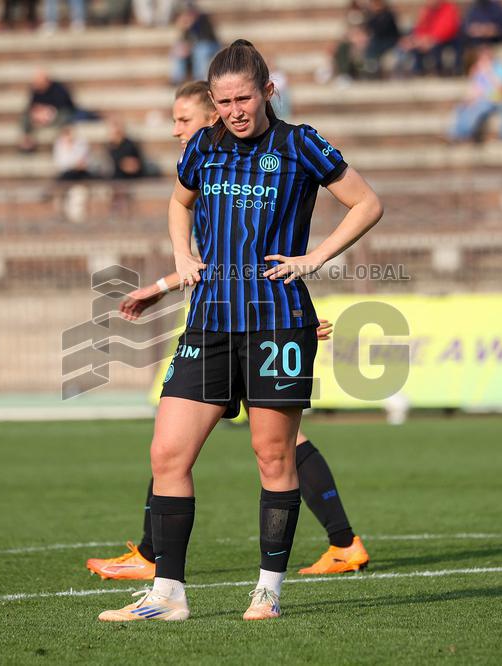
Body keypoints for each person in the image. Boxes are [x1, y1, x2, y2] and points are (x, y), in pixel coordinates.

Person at [97, 40, 383, 623]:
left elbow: (367, 203)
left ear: (268, 91)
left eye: (243, 98)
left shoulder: (300, 143)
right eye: (223, 101)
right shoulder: (203, 145)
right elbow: (179, 205)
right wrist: (182, 257)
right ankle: (168, 595)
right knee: (167, 453)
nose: (233, 110)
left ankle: (268, 590)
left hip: (277, 320)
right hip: (209, 319)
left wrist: (313, 259)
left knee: (272, 455)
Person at [19, 69, 97, 152]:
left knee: (64, 119)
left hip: (60, 114)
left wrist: (48, 112)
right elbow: (31, 106)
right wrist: (39, 112)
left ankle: (60, 142)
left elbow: (64, 106)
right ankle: (27, 140)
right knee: (26, 117)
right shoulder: (35, 90)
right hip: (43, 116)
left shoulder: (58, 88)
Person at [449, 47, 502, 141]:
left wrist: (489, 72)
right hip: (480, 98)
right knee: (461, 107)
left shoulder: (501, 68)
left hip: (495, 99)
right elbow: (475, 88)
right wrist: (470, 98)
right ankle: (456, 134)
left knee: (477, 108)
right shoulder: (478, 69)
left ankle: (467, 135)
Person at [395, 0, 462, 77]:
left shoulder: (448, 8)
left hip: (445, 39)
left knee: (436, 48)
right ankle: (418, 73)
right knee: (414, 48)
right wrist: (418, 40)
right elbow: (421, 27)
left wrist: (430, 39)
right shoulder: (427, 10)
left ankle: (439, 72)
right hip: (427, 39)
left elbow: (448, 28)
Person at [169, 1, 219, 84]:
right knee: (178, 49)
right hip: (194, 48)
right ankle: (177, 78)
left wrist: (191, 26)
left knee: (200, 50)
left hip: (209, 45)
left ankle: (200, 79)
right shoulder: (186, 24)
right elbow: (185, 40)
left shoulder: (203, 19)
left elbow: (205, 38)